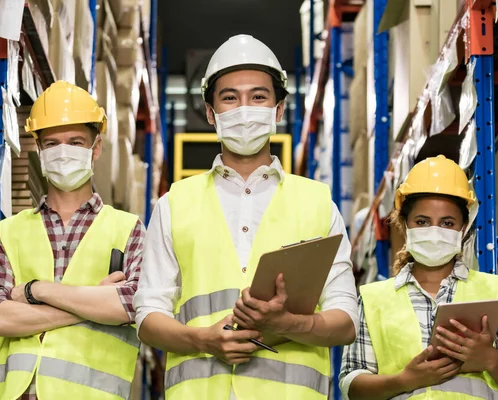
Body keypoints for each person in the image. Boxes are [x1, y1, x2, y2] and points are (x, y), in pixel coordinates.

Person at [134, 34, 359, 400]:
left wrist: (288, 324)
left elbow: (346, 320)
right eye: (229, 98)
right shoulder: (173, 204)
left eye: (258, 97)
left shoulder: (317, 204)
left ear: (278, 109)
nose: (244, 109)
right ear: (211, 114)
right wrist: (203, 339)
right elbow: (147, 317)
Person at [0, 81, 145, 400]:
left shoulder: (128, 230)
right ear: (38, 150)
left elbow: (132, 304)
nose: (63, 152)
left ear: (96, 148)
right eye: (52, 143)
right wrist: (95, 302)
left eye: (75, 141)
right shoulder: (9, 232)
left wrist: (34, 290)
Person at [339, 155, 498, 400]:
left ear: (463, 228)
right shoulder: (372, 300)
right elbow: (351, 386)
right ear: (405, 224)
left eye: (447, 223)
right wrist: (404, 380)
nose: (434, 233)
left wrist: (491, 360)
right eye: (422, 222)